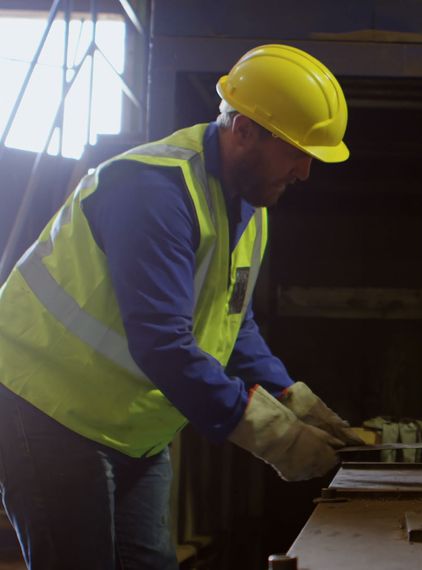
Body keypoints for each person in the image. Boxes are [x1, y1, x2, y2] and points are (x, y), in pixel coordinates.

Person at [0, 44, 360, 569]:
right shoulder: (152, 190)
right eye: (296, 152)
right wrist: (272, 434)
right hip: (46, 407)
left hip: (132, 431)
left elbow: (231, 320)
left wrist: (290, 397)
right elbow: (162, 343)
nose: (304, 171)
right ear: (243, 132)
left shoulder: (249, 204)